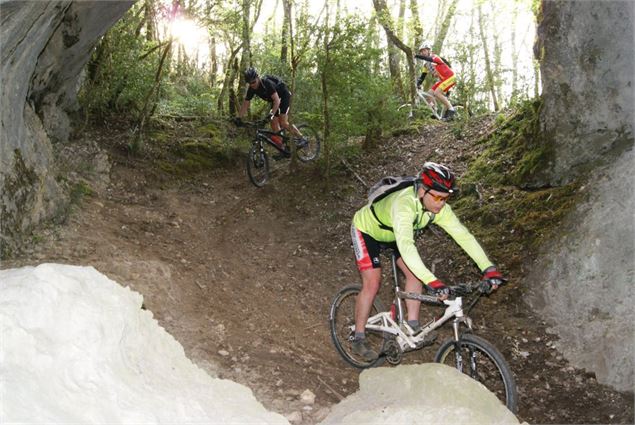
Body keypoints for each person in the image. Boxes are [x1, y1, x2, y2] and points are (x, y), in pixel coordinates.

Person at [350, 162, 505, 361]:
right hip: (367, 230)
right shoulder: (404, 204)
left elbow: (464, 237)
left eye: (446, 198)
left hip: (394, 234)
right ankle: (359, 336)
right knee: (372, 282)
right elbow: (406, 246)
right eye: (438, 197)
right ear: (422, 190)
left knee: (415, 274)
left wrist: (488, 268)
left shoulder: (439, 210)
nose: (442, 203)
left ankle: (412, 326)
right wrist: (433, 282)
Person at [234, 67, 304, 151]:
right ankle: (282, 148)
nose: (252, 85)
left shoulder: (266, 83)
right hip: (275, 101)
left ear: (258, 78)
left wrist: (271, 114)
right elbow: (245, 104)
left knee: (283, 122)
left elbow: (277, 101)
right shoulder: (251, 89)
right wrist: (239, 117)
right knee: (273, 122)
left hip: (284, 96)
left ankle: (301, 138)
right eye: (249, 83)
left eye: (253, 82)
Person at [414, 43, 457, 121]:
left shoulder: (435, 57)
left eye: (424, 50)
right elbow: (423, 76)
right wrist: (417, 84)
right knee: (429, 93)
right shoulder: (426, 65)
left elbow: (430, 59)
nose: (422, 53)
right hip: (442, 80)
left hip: (450, 77)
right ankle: (435, 111)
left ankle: (451, 109)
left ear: (429, 50)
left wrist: (417, 56)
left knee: (437, 93)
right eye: (421, 51)